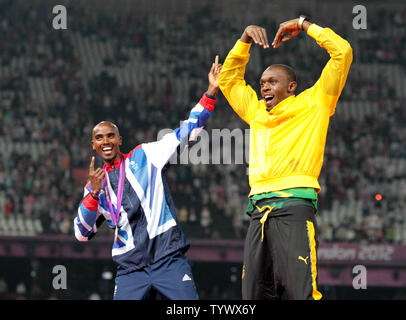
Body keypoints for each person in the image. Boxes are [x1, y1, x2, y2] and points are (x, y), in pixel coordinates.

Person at [218, 16, 353, 300]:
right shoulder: (256, 113)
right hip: (258, 214)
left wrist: (305, 25)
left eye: (272, 82)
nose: (264, 87)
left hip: (293, 208)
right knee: (253, 295)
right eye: (262, 83)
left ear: (291, 87)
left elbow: (342, 52)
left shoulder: (315, 103)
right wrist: (243, 40)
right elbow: (228, 80)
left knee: (299, 293)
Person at [74, 57, 222, 300]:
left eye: (111, 136)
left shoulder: (146, 155)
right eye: (99, 138)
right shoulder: (94, 187)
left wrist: (210, 92)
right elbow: (81, 233)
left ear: (120, 140)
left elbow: (188, 131)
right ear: (93, 145)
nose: (106, 141)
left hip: (168, 259)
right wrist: (93, 196)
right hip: (130, 270)